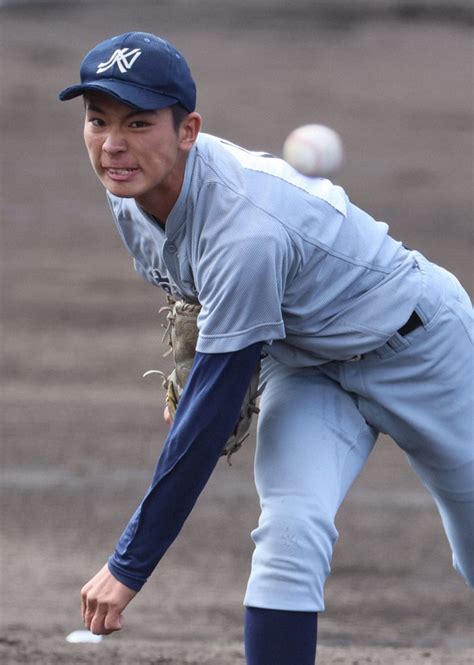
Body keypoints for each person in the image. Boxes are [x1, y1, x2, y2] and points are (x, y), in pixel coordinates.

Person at [59, 31, 473, 665]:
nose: (113, 143)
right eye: (97, 120)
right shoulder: (129, 194)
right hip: (306, 367)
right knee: (290, 529)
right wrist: (203, 370)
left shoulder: (247, 231)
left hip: (423, 349)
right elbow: (203, 302)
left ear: (187, 130)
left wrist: (128, 564)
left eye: (138, 122)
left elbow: (211, 416)